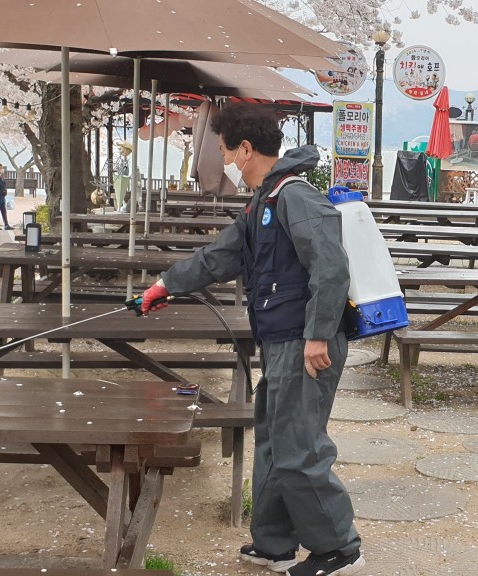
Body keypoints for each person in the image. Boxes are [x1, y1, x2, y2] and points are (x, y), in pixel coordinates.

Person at [139, 103, 364, 576]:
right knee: (273, 442)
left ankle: (339, 548)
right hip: (281, 341)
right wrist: (166, 285)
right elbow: (219, 255)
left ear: (245, 149)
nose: (223, 162)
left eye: (223, 151)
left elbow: (332, 266)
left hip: (306, 342)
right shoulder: (262, 201)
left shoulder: (294, 196)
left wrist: (319, 334)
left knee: (298, 446)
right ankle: (275, 544)